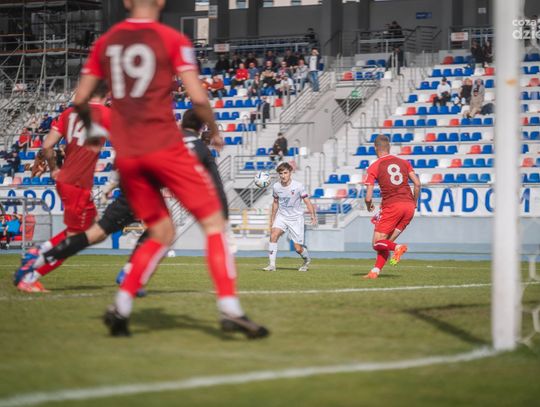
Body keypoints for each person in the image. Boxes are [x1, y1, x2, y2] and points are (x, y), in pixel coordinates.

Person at [69, 0, 268, 339]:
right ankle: (230, 309)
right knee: (214, 224)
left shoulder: (106, 42)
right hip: (163, 146)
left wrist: (91, 133)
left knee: (161, 232)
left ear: (126, 2)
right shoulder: (172, 39)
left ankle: (121, 308)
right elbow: (198, 98)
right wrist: (214, 130)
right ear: (161, 2)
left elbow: (80, 99)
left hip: (128, 155)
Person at [13, 82, 111, 293]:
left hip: (65, 179)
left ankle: (39, 253)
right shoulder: (106, 114)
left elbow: (47, 145)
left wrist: (54, 169)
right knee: (76, 239)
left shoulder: (68, 113)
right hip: (77, 184)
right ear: (108, 94)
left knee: (96, 230)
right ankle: (32, 272)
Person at [363, 135, 421, 279]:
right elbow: (417, 184)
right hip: (409, 207)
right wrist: (414, 202)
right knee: (385, 242)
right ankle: (375, 272)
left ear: (375, 148)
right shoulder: (404, 162)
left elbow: (368, 197)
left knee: (376, 243)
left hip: (392, 206)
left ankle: (397, 248)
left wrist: (369, 205)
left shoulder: (374, 166)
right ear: (389, 147)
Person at [263, 162, 317, 272]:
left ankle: (306, 259)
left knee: (298, 248)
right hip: (282, 217)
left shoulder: (298, 186)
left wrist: (312, 215)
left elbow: (307, 201)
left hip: (296, 219)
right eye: (281, 173)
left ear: (290, 173)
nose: (283, 176)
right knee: (273, 235)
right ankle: (272, 265)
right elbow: (275, 203)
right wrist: (272, 218)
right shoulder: (276, 186)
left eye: (285, 173)